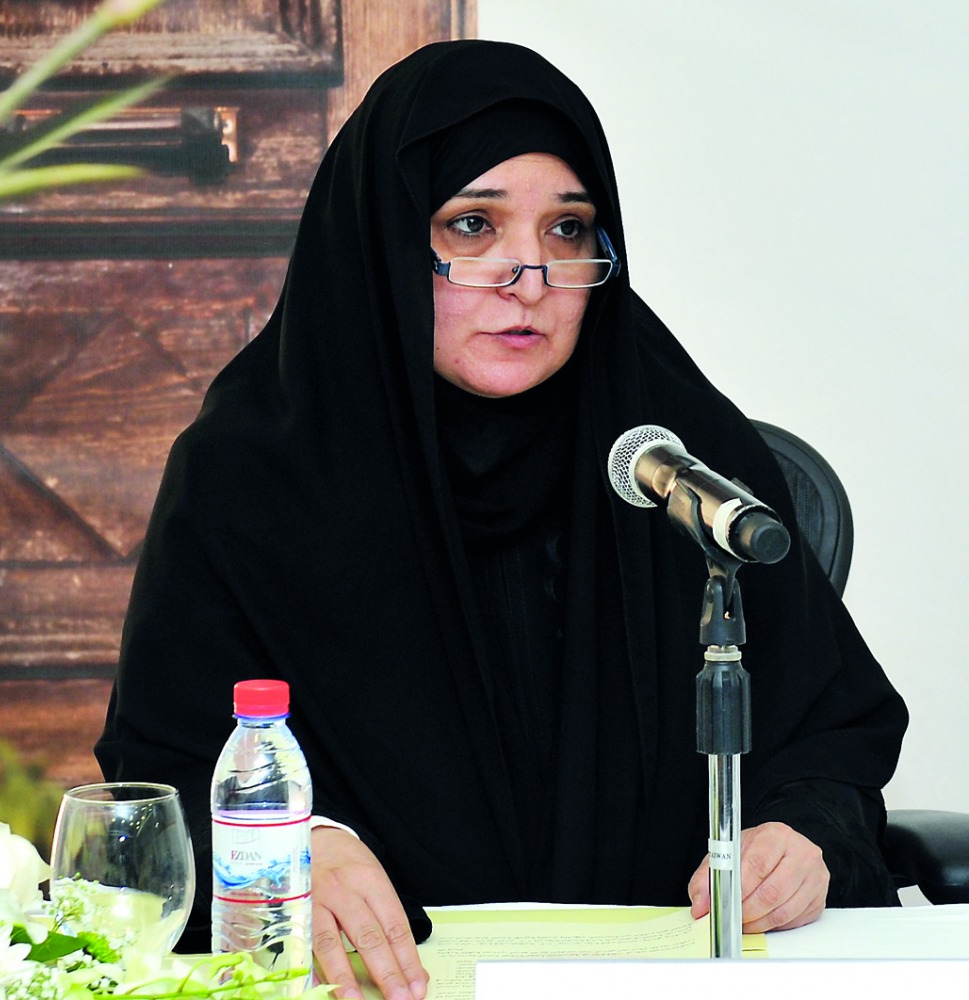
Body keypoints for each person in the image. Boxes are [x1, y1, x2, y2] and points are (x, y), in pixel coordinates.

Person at [96, 39, 908, 1000]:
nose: (528, 274)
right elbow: (162, 775)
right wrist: (291, 852)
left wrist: (801, 833)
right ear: (383, 239)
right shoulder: (252, 471)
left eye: (568, 231)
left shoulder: (669, 450)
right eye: (471, 224)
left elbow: (831, 736)